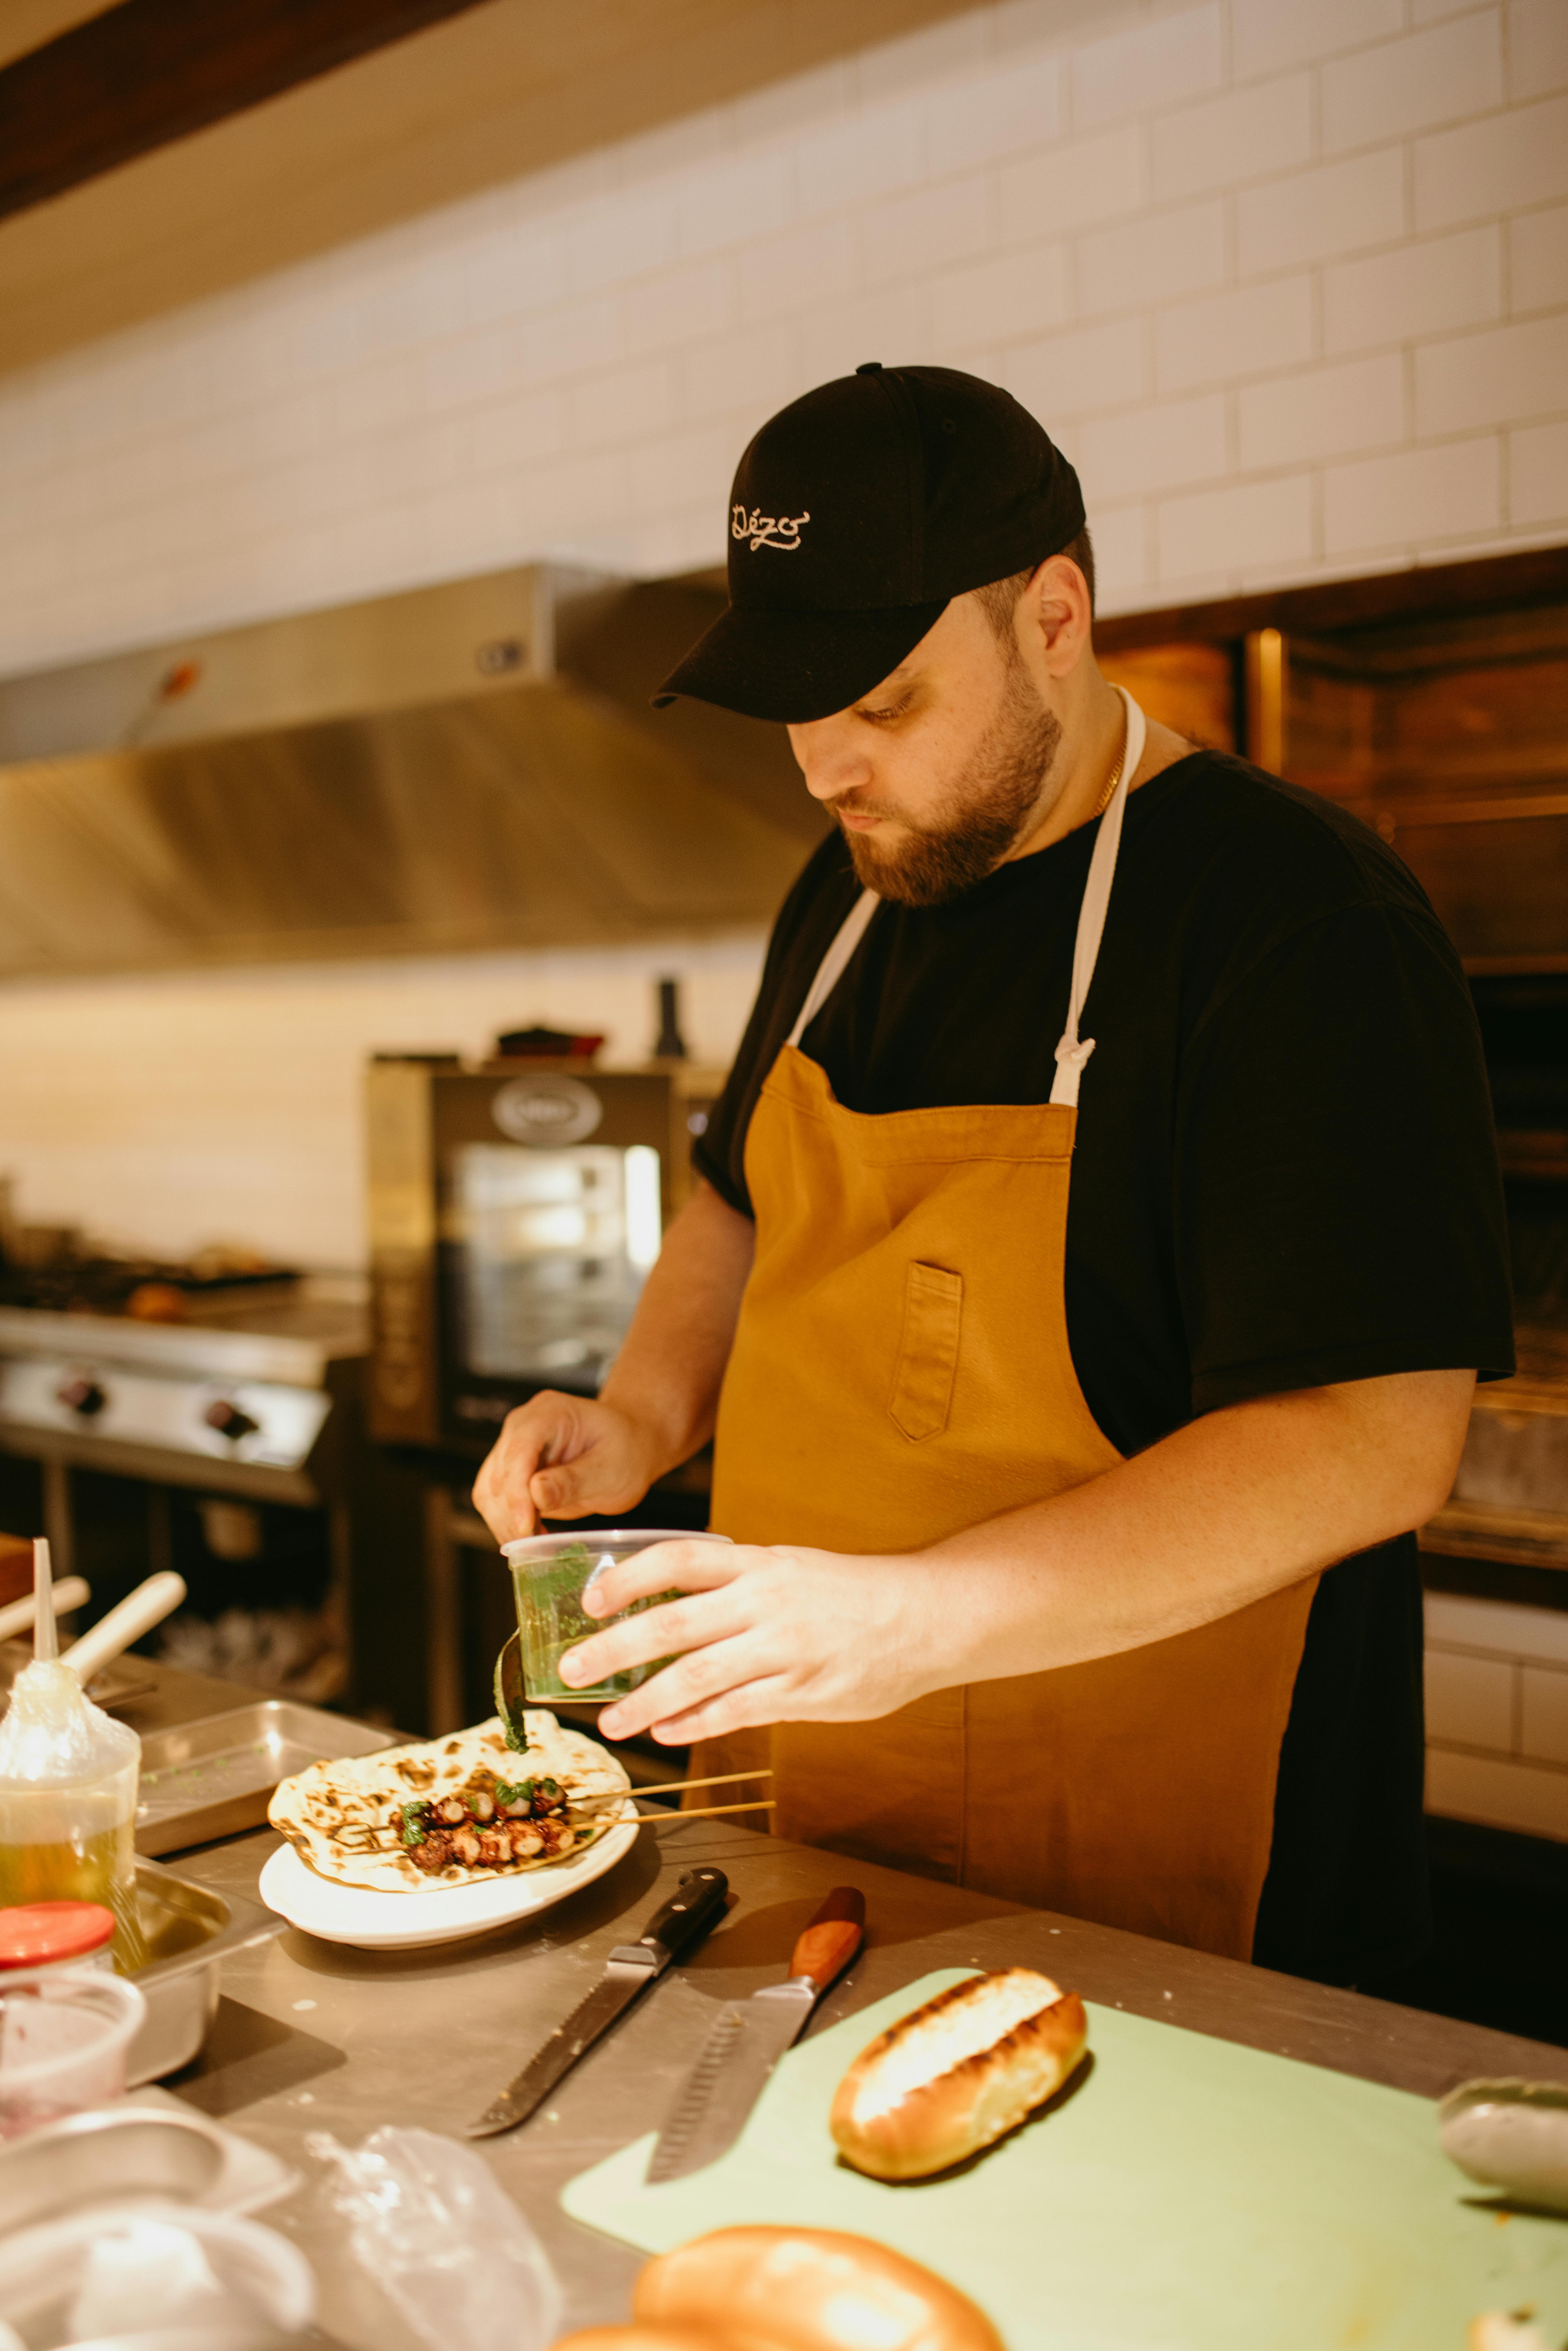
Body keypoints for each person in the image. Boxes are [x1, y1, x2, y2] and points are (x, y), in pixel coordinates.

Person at [474, 363, 1514, 1984]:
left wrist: (912, 1623)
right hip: (814, 1806)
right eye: (797, 710)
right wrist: (642, 1418)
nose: (825, 768)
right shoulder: (842, 898)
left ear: (1051, 616)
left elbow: (1374, 1444)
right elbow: (737, 1196)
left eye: (881, 702)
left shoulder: (1293, 914)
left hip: (1163, 1861)